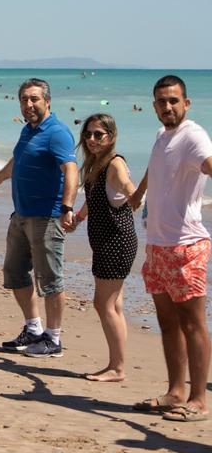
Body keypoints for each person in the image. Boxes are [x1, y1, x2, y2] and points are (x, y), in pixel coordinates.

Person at [129, 75, 211, 422]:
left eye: (174, 100)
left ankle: (199, 400)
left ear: (186, 103)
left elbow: (208, 163)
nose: (168, 107)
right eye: (162, 101)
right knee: (166, 322)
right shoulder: (162, 136)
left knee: (192, 323)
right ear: (154, 106)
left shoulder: (193, 135)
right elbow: (155, 167)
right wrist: (138, 194)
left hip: (186, 245)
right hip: (158, 243)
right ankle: (176, 392)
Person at [0, 78, 78, 357]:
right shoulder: (28, 131)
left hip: (46, 217)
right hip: (21, 214)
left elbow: (71, 170)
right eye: (24, 99)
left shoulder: (57, 132)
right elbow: (20, 159)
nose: (28, 104)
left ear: (47, 101)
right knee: (14, 273)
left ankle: (53, 339)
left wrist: (67, 207)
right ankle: (33, 329)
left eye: (34, 99)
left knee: (49, 280)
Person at [70, 114, 136, 382]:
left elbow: (130, 191)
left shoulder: (114, 165)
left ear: (111, 136)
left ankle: (117, 368)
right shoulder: (97, 164)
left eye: (99, 134)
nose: (92, 139)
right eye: (88, 134)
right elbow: (96, 199)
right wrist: (78, 217)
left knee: (103, 304)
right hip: (105, 241)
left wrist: (137, 199)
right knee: (114, 305)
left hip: (115, 242)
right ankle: (116, 363)